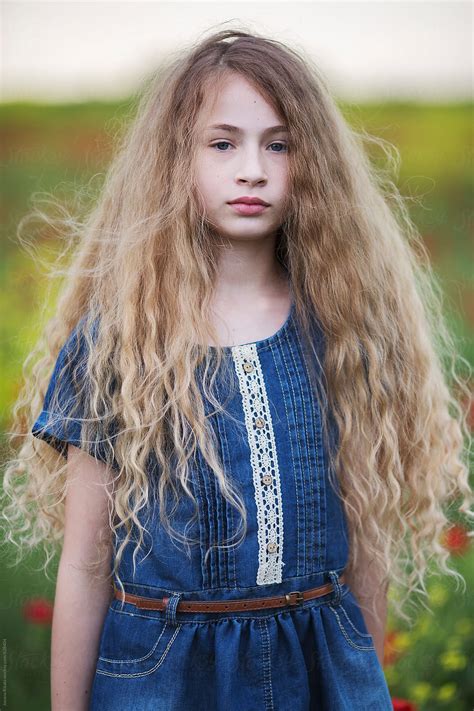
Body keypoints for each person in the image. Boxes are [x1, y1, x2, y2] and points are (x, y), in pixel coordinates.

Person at [2, 27, 472, 711]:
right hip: (163, 677)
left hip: (317, 665)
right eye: (222, 144)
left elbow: (365, 545)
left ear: (311, 162)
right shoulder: (117, 345)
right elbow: (84, 562)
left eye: (277, 144)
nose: (252, 168)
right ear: (175, 161)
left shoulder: (343, 332)